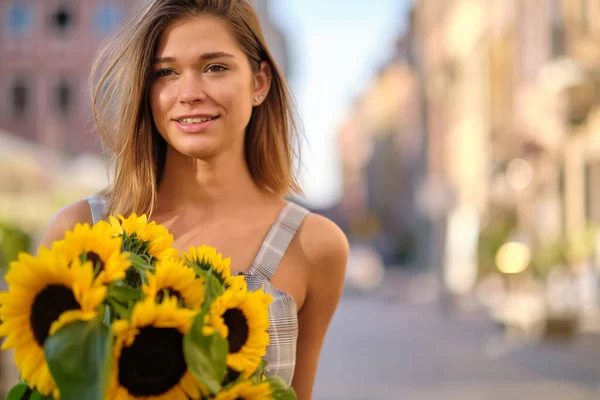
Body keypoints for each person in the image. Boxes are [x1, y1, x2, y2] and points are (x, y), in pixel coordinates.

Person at [40, 1, 348, 398]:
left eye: (215, 67)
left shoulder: (314, 246)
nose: (189, 94)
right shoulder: (79, 231)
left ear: (260, 83)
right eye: (165, 73)